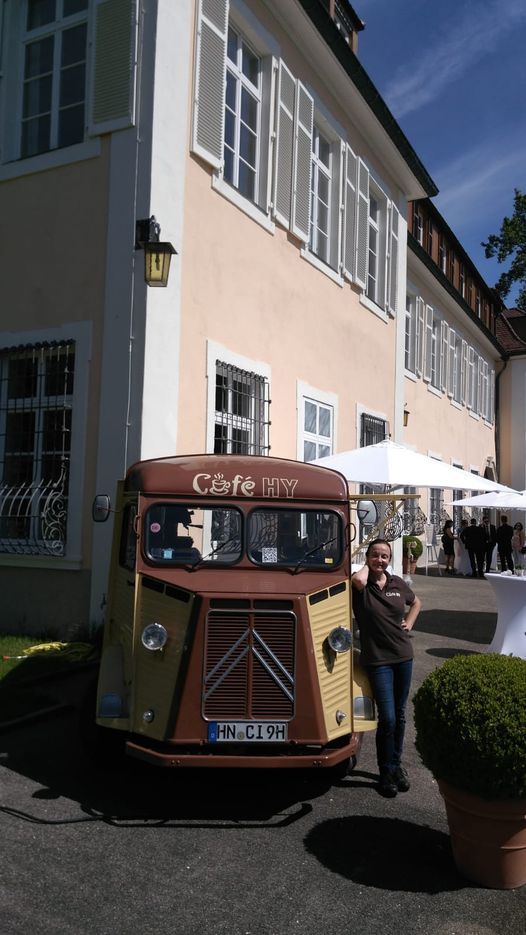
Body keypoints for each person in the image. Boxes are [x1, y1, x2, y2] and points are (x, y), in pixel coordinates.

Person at [351, 538, 422, 798]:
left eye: (384, 556)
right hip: (377, 660)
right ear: (368, 558)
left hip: (403, 655)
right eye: (375, 555)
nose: (380, 560)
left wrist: (409, 622)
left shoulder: (397, 583)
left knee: (400, 716)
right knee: (388, 718)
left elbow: (416, 602)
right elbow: (357, 580)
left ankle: (396, 766)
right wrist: (368, 566)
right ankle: (385, 771)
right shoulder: (361, 586)